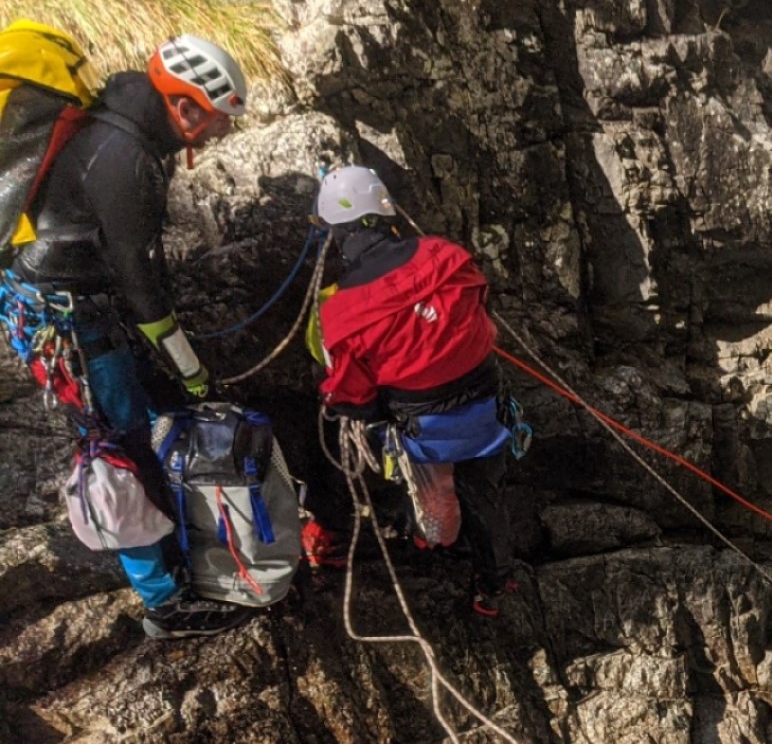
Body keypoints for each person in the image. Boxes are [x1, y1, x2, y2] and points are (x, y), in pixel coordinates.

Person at [11, 34, 252, 638]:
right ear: (186, 108)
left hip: (64, 301)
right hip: (67, 318)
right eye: (219, 120)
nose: (222, 133)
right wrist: (190, 367)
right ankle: (164, 603)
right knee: (113, 447)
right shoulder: (125, 158)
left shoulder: (128, 130)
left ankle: (176, 556)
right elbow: (140, 283)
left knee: (138, 427)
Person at [309, 164, 521, 616]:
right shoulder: (448, 256)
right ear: (386, 213)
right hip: (487, 415)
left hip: (424, 432)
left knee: (420, 485)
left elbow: (352, 398)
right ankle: (495, 583)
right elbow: (481, 315)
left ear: (338, 234)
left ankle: (417, 533)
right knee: (486, 492)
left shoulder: (339, 311)